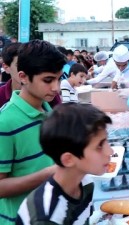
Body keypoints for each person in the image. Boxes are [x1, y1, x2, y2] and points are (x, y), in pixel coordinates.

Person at [0, 40, 66, 225]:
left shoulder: (49, 111)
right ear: (23, 77)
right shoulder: (5, 122)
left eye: (59, 78)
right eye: (48, 80)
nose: (56, 88)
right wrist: (47, 174)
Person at [16, 103, 113, 225]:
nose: (110, 151)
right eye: (100, 145)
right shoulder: (47, 217)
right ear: (68, 159)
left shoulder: (86, 183)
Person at [0, 42, 62, 108]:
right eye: (20, 65)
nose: (29, 69)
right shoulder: (1, 96)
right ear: (6, 67)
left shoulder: (50, 93)